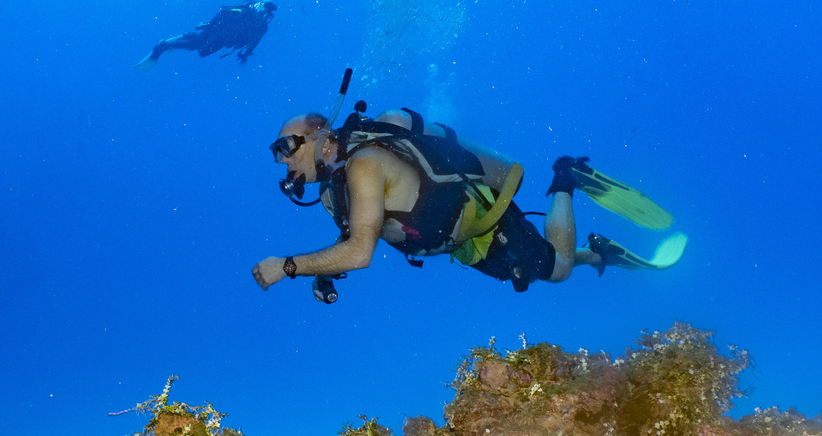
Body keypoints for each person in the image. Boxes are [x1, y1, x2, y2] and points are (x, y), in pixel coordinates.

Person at [252, 106, 687, 301]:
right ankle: (599, 252)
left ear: (320, 136)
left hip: (479, 214)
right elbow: (352, 235)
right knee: (536, 273)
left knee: (555, 270)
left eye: (284, 147)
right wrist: (322, 273)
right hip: (460, 242)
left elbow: (360, 252)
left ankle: (566, 177)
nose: (282, 160)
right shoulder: (333, 192)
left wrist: (287, 266)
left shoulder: (364, 163)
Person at [134, 0, 277, 70]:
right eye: (263, 8)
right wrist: (209, 26)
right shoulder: (242, 12)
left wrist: (246, 54)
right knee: (193, 46)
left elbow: (255, 41)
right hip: (216, 30)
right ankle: (162, 46)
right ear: (258, 5)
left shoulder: (262, 28)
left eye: (267, 12)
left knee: (202, 53)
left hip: (225, 39)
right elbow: (223, 12)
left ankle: (187, 36)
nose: (262, 13)